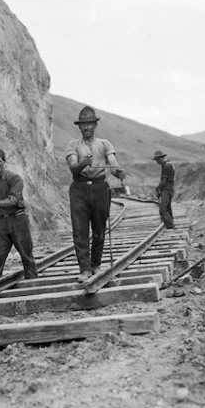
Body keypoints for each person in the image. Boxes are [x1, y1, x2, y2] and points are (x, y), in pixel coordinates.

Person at [66, 106, 126, 283]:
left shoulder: (105, 144)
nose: (86, 128)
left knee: (99, 229)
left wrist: (118, 172)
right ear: (79, 126)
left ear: (94, 125)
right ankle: (84, 269)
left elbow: (113, 163)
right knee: (80, 230)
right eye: (83, 125)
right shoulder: (73, 145)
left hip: (100, 188)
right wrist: (83, 163)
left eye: (89, 124)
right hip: (79, 189)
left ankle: (96, 264)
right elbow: (72, 167)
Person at [0, 147, 38, 281]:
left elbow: (14, 200)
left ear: (4, 161)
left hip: (17, 220)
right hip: (0, 223)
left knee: (27, 256)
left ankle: (33, 284)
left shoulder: (14, 178)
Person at [153, 150, 175, 229]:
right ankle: (170, 224)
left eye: (157, 160)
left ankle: (170, 226)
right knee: (168, 208)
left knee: (163, 209)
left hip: (167, 189)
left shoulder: (166, 166)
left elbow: (164, 181)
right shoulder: (170, 164)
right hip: (170, 188)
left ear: (161, 158)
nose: (157, 162)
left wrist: (158, 187)